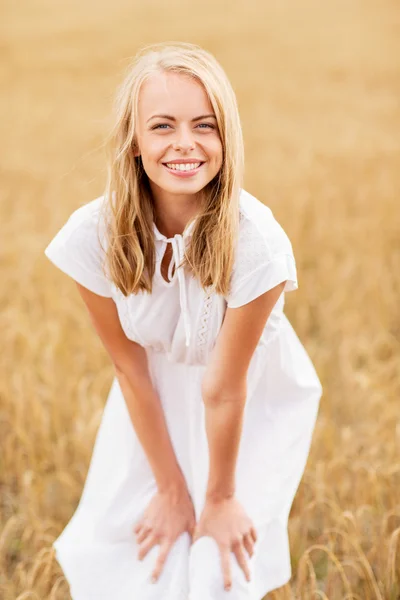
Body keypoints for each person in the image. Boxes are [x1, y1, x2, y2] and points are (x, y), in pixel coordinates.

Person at [44, 41, 323, 600]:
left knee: (217, 569)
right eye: (162, 126)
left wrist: (217, 498)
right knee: (137, 557)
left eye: (205, 125)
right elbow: (130, 369)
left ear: (227, 137)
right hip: (151, 401)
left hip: (248, 403)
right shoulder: (93, 236)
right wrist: (171, 486)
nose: (185, 144)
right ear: (134, 141)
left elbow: (223, 388)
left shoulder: (257, 244)